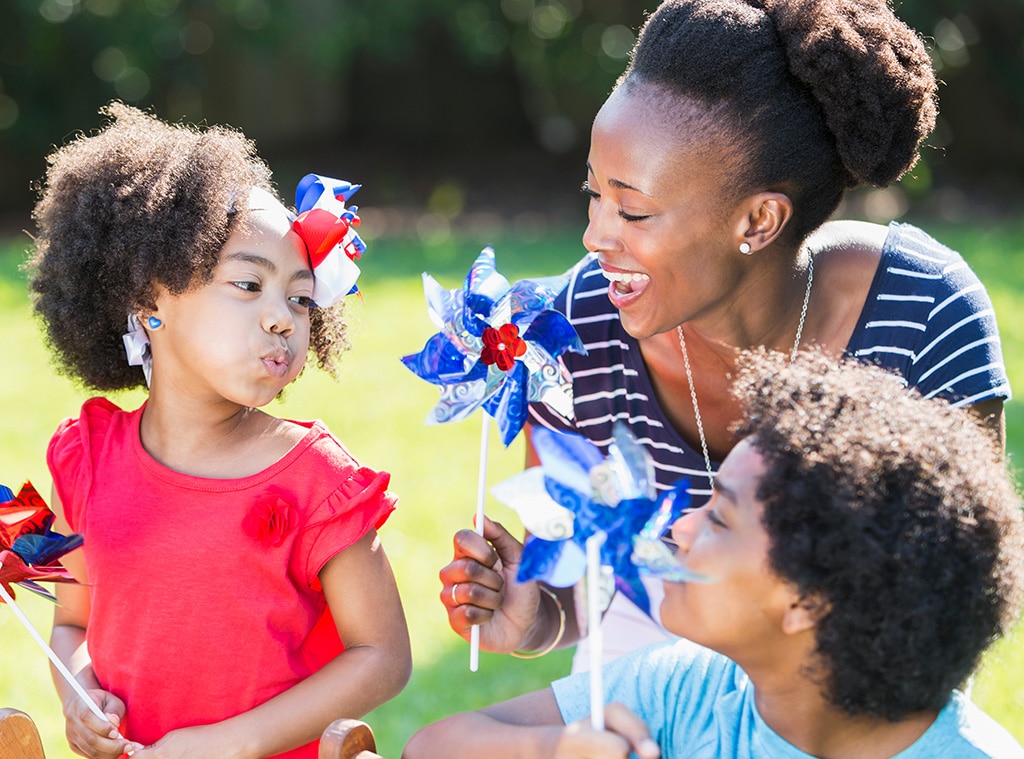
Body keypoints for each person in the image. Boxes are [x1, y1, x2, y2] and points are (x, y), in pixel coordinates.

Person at [440, 0, 1011, 672]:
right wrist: (535, 613)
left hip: (856, 675)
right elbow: (583, 573)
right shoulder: (570, 333)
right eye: (593, 194)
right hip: (658, 655)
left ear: (759, 221)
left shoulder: (923, 315)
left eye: (634, 209)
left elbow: (963, 595)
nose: (595, 235)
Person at [28, 102, 412, 759]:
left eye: (298, 296)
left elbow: (383, 654)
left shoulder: (317, 477)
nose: (282, 319)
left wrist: (234, 742)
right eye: (247, 285)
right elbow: (71, 621)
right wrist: (77, 689)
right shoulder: (87, 458)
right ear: (150, 300)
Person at [409, 350, 1024, 759]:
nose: (677, 526)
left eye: (719, 517)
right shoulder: (686, 686)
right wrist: (554, 748)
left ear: (807, 600)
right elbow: (430, 746)